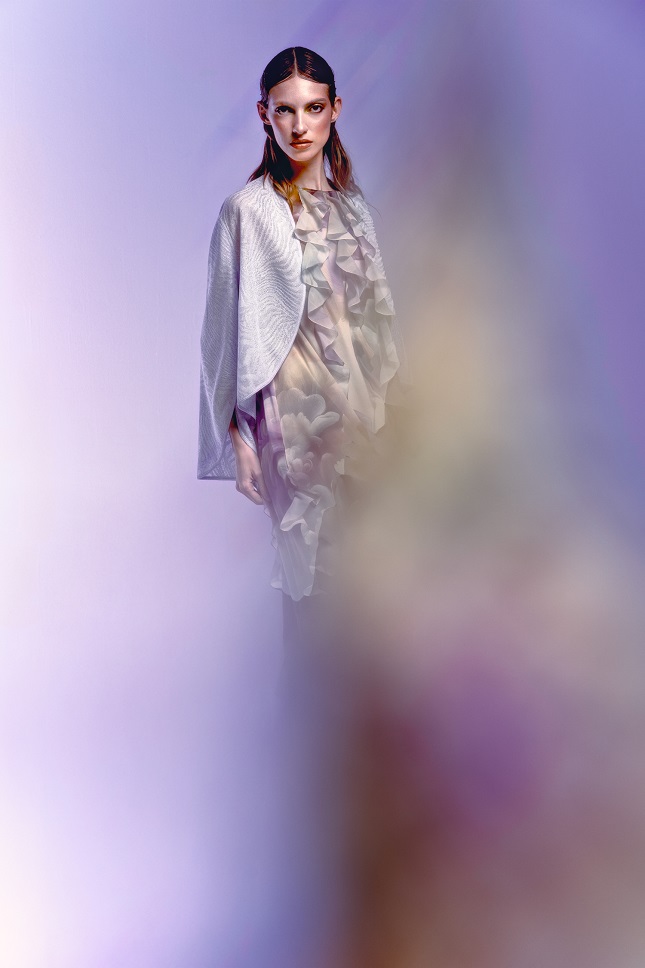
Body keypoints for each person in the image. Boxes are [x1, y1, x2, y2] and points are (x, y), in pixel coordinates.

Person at [198, 46, 411, 652]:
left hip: (366, 421)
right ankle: (301, 705)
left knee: (373, 592)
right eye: (285, 110)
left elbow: (378, 323)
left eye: (313, 108)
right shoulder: (246, 212)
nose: (299, 126)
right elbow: (219, 337)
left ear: (335, 109)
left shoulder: (356, 212)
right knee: (310, 588)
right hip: (292, 430)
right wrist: (237, 439)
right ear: (263, 114)